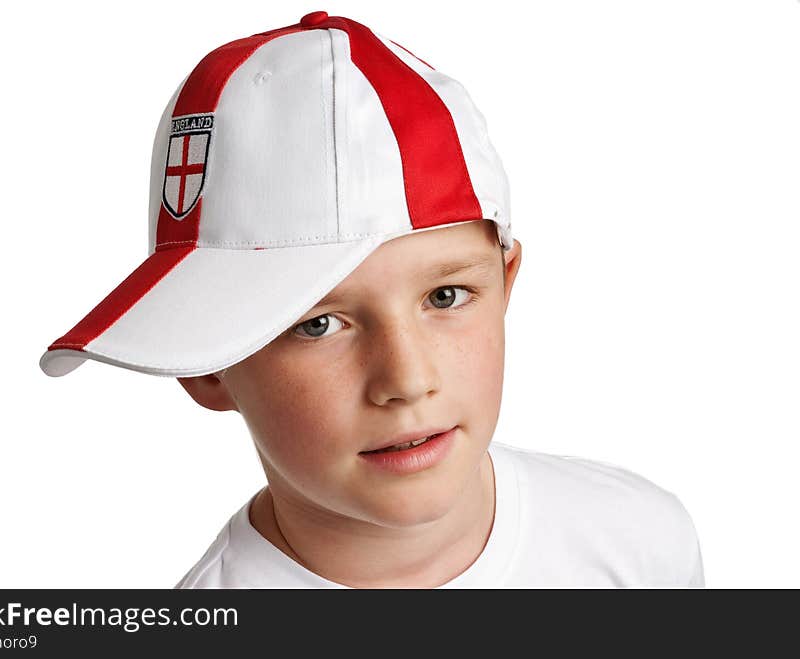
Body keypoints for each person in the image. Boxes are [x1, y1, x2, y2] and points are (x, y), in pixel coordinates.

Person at [40, 11, 704, 588]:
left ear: (506, 285)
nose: (406, 379)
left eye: (445, 294)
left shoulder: (641, 544)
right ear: (206, 362)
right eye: (318, 323)